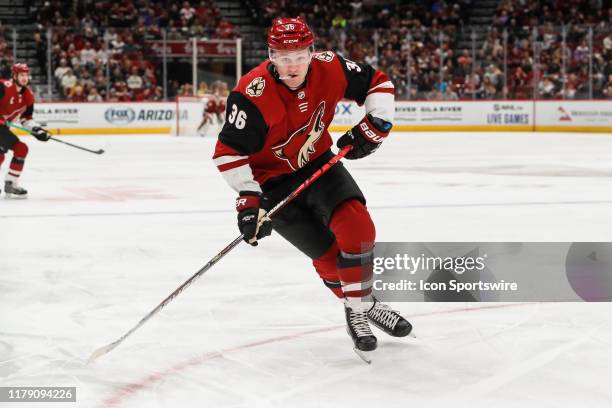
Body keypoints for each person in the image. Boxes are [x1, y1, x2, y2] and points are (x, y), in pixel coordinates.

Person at [212, 17, 412, 353]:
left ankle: (358, 308)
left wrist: (377, 124)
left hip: (320, 164)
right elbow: (229, 151)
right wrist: (249, 200)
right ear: (271, 55)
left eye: (300, 56)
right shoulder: (251, 93)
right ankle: (366, 306)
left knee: (359, 230)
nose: (293, 66)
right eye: (284, 57)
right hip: (272, 186)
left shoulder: (330, 66)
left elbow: (378, 83)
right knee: (329, 257)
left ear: (312, 52)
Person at [0, 63, 50, 198]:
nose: (24, 78)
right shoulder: (4, 86)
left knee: (21, 149)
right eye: (21, 75)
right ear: (14, 76)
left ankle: (11, 183)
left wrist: (37, 130)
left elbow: (26, 119)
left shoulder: (28, 95)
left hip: (2, 128)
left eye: (26, 75)